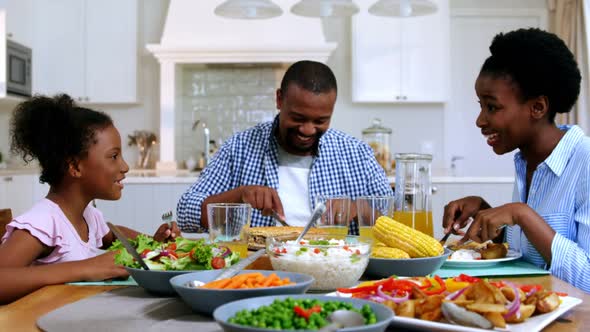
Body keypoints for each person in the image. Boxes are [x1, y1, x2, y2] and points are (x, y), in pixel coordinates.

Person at [441, 28, 590, 292]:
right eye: (480, 105)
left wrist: (521, 214)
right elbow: (532, 255)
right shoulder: (526, 161)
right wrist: (489, 215)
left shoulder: (585, 161)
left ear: (537, 108)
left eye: (492, 107)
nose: (480, 120)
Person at [0, 95, 181, 303]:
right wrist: (84, 268)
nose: (125, 167)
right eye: (114, 156)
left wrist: (152, 243)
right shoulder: (43, 222)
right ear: (75, 167)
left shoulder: (87, 216)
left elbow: (112, 235)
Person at [177, 60, 393, 232]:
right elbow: (187, 213)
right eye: (298, 118)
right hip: (257, 276)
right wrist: (240, 195)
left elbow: (395, 216)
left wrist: (358, 208)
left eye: (320, 121)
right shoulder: (239, 147)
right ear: (279, 99)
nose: (308, 130)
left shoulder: (356, 153)